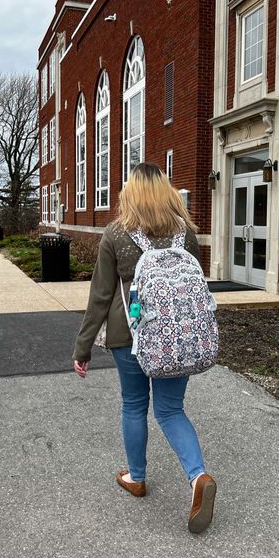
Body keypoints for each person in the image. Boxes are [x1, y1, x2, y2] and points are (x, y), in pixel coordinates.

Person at [72, 162, 217, 534]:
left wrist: (83, 347)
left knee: (134, 405)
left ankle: (136, 477)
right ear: (166, 192)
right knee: (170, 410)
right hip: (177, 336)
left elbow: (101, 296)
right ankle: (198, 475)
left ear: (130, 194)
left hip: (130, 335)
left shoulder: (116, 234)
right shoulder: (185, 234)